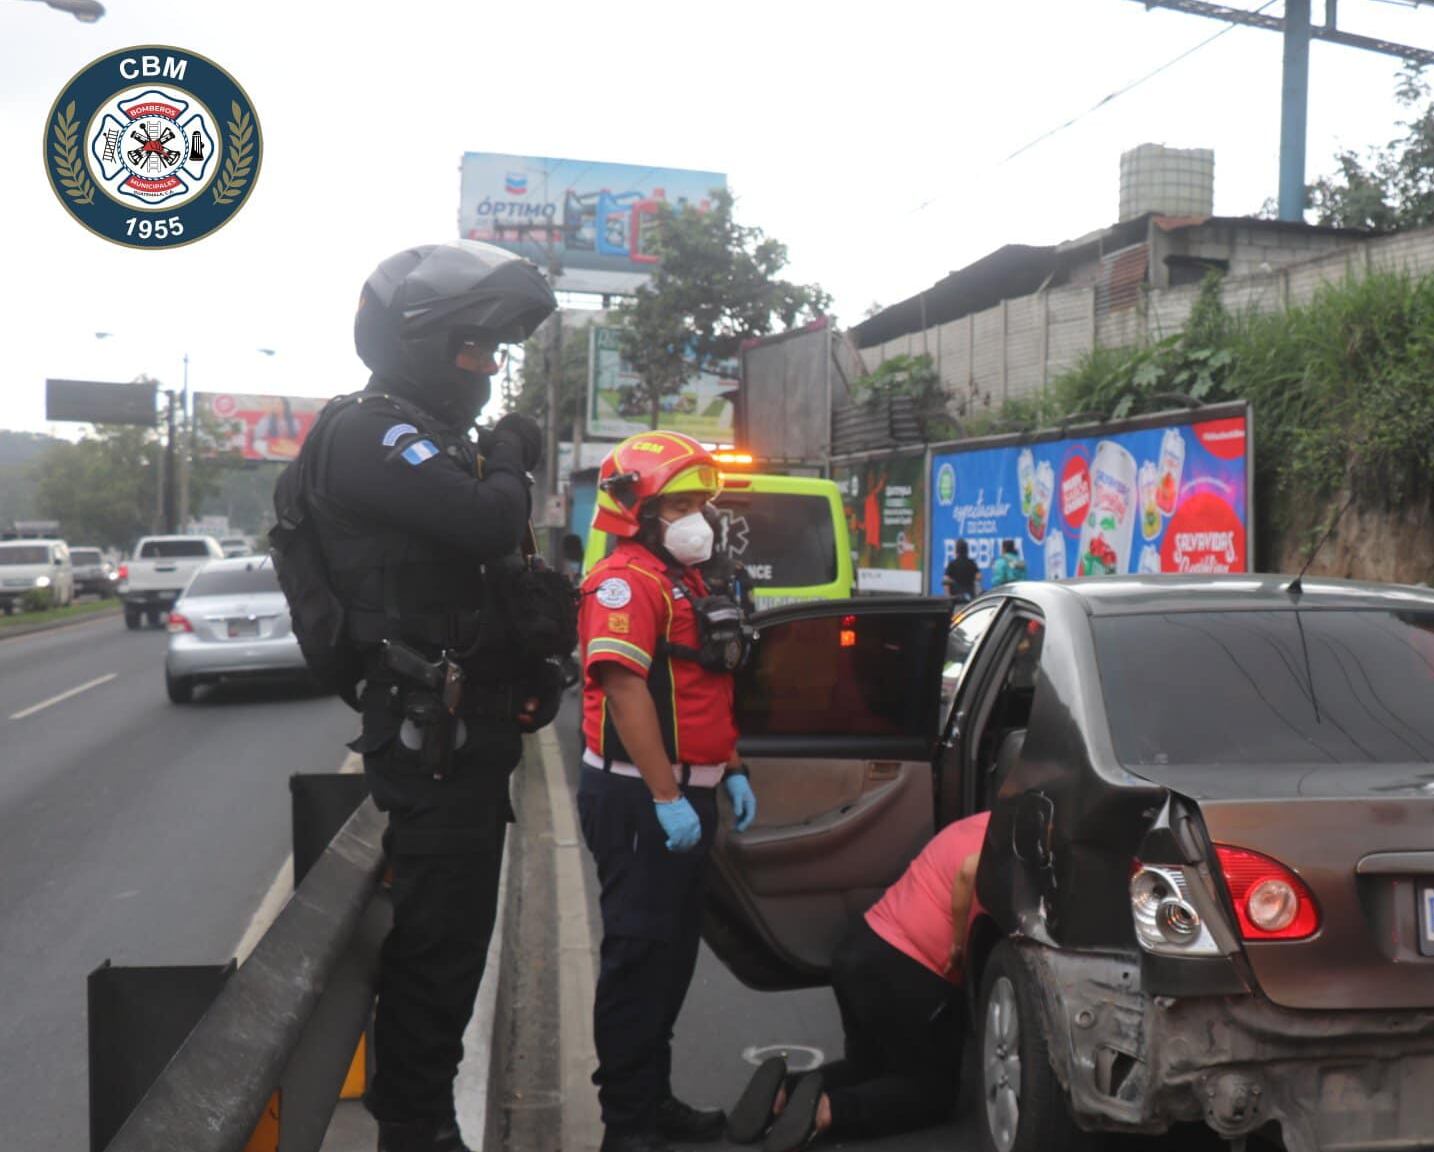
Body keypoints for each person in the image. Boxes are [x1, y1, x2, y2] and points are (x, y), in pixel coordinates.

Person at [297, 240, 562, 1152]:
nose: (487, 371)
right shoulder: (369, 430)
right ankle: (415, 1124)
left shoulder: (428, 434)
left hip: (462, 726)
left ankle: (420, 1109)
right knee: (441, 942)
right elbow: (489, 519)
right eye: (474, 350)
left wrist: (529, 668)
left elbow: (472, 577)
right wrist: (513, 458)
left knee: (457, 931)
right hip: (425, 732)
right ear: (420, 341)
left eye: (495, 354)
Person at [578, 432, 759, 1152]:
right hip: (640, 800)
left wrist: (733, 767)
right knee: (637, 963)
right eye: (679, 504)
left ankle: (653, 1104)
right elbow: (626, 694)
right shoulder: (624, 583)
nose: (698, 519)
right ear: (636, 512)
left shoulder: (686, 582)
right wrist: (664, 796)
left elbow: (698, 689)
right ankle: (626, 1128)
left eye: (701, 504)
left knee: (672, 962)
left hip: (688, 793)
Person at [726, 812, 991, 1152]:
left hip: (859, 951)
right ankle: (827, 1112)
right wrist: (958, 945)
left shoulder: (975, 822)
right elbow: (969, 871)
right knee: (931, 1094)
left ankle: (785, 1092)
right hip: (912, 971)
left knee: (870, 1066)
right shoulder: (1011, 840)